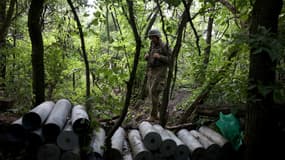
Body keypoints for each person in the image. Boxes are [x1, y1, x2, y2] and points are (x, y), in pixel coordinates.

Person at [144, 29, 171, 121]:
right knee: (151, 93)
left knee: (154, 91)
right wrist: (147, 57)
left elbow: (170, 60)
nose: (152, 39)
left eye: (153, 37)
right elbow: (152, 57)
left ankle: (154, 115)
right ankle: (161, 111)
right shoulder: (152, 45)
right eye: (150, 38)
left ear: (157, 37)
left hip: (160, 71)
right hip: (151, 71)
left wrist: (160, 57)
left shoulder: (164, 46)